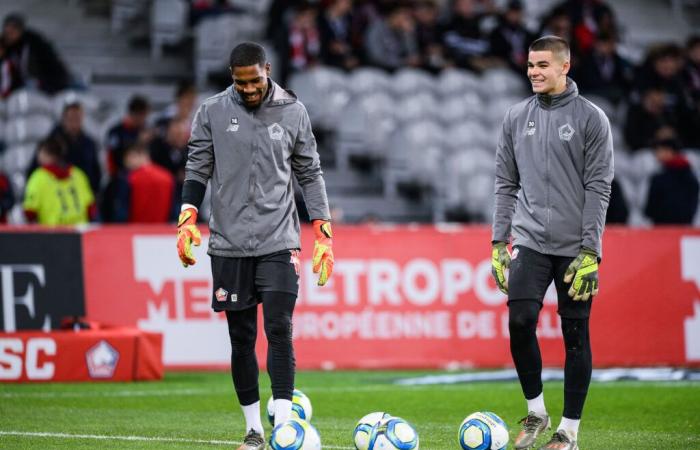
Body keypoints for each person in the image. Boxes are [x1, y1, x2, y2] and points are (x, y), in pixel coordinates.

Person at [176, 42, 333, 450]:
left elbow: (310, 173)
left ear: (268, 69)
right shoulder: (211, 111)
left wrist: (323, 230)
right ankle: (253, 430)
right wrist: (188, 213)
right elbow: (197, 164)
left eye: (255, 81)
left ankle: (282, 427)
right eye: (239, 82)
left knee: (279, 328)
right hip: (228, 243)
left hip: (279, 239)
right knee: (241, 339)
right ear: (232, 75)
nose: (248, 90)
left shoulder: (293, 112)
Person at [491, 36, 613, 450]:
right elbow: (506, 184)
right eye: (529, 65)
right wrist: (497, 242)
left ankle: (569, 431)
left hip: (575, 249)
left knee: (575, 334)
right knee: (520, 321)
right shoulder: (514, 117)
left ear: (565, 66)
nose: (533, 72)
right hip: (529, 242)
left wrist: (591, 251)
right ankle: (537, 412)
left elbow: (599, 188)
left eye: (542, 65)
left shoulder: (592, 118)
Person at [24, 137, 96, 226]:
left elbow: (30, 212)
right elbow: (91, 209)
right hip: (80, 231)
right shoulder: (78, 174)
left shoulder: (38, 177)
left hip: (53, 233)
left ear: (46, 154)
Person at [1, 13, 70, 94]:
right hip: (24, 85)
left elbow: (50, 66)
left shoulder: (34, 43)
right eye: (7, 32)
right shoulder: (5, 45)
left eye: (12, 32)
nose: (9, 36)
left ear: (20, 31)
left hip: (47, 83)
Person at [644, 138, 699, 224]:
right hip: (684, 227)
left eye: (659, 150)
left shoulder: (659, 179)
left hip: (662, 228)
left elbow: (650, 210)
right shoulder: (690, 176)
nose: (656, 154)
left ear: (669, 151)